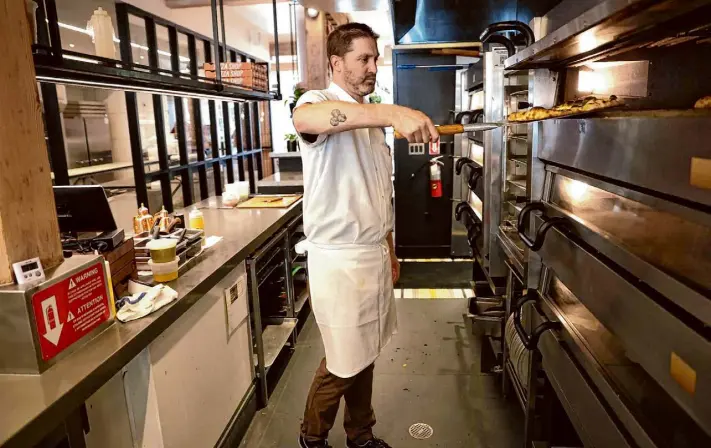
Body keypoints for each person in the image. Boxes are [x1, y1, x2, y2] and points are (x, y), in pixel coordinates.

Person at [293, 22, 439, 448]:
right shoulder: (318, 102)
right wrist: (392, 111)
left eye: (375, 59)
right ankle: (312, 437)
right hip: (338, 259)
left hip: (372, 251)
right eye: (364, 59)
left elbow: (379, 194)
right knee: (343, 359)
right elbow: (306, 118)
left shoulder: (372, 120)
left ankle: (360, 435)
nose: (373, 67)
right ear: (337, 63)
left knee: (366, 351)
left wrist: (389, 250)